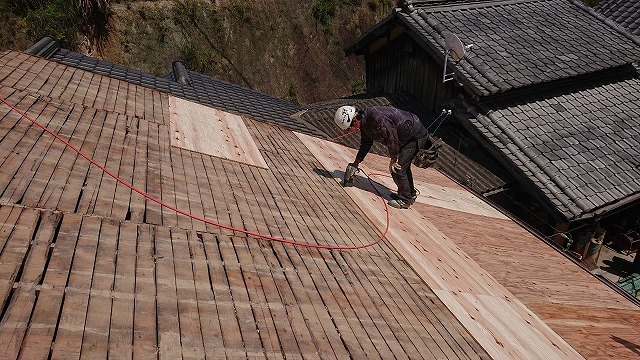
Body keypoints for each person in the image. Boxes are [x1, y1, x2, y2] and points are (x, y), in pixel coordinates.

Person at [334, 105, 430, 209]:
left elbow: (391, 137)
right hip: (404, 137)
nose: (350, 132)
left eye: (349, 129)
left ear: (355, 121)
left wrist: (394, 159)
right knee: (402, 167)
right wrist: (355, 164)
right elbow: (366, 144)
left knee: (397, 168)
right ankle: (410, 193)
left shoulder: (376, 118)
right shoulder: (365, 123)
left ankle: (405, 200)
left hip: (414, 135)